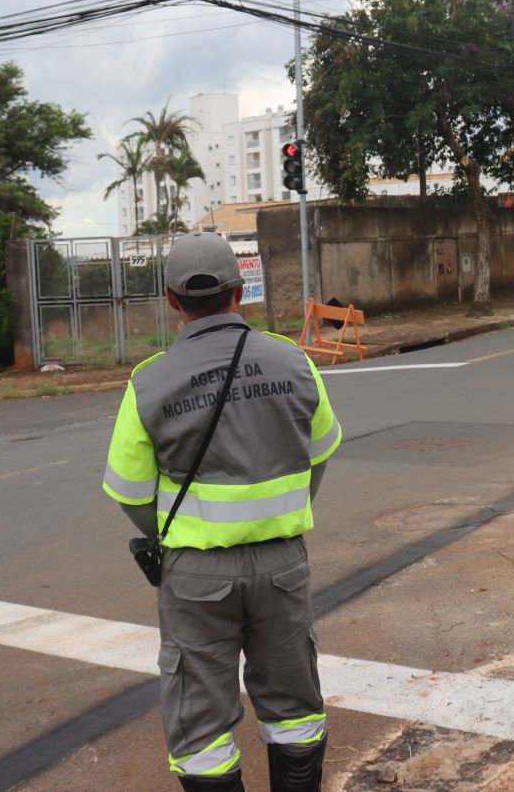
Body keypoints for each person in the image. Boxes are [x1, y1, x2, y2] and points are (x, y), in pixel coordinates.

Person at [102, 232, 342, 791]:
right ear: (240, 292)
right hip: (282, 565)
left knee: (201, 722)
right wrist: (284, 515)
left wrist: (166, 535)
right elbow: (322, 453)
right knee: (294, 703)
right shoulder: (293, 360)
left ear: (171, 298)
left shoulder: (148, 383)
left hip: (194, 575)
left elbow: (129, 491)